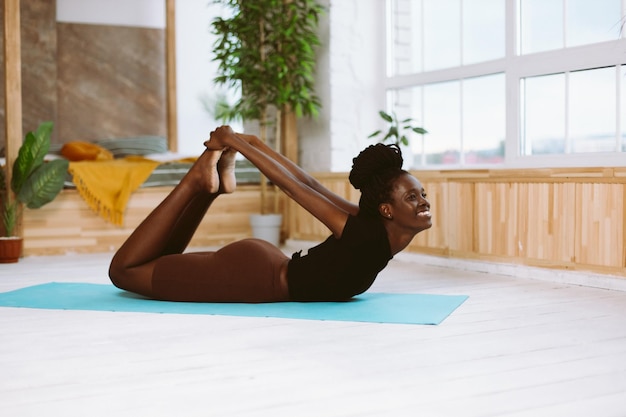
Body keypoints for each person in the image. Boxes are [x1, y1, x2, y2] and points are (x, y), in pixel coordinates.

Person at [109, 125, 432, 302]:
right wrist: (240, 143)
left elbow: (309, 184)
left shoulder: (371, 228)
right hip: (250, 279)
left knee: (158, 261)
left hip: (258, 269)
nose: (422, 201)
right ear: (387, 209)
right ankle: (196, 181)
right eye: (412, 196)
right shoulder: (365, 236)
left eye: (422, 194)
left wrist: (254, 143)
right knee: (123, 272)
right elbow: (297, 187)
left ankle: (208, 187)